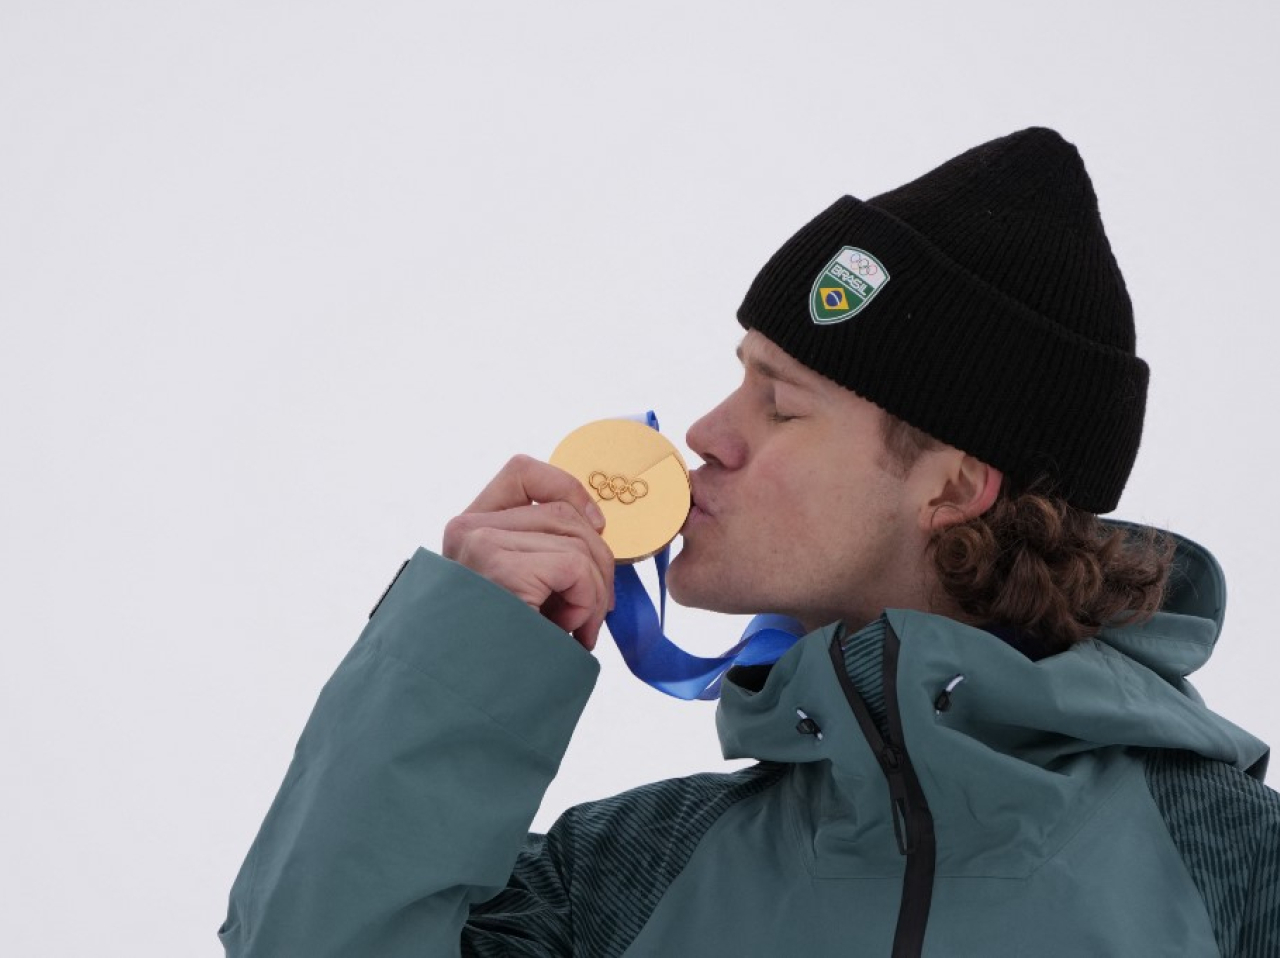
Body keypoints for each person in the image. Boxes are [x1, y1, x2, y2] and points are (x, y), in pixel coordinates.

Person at [219, 128, 1280, 957]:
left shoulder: (1243, 874)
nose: (703, 435)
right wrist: (460, 659)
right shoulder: (626, 878)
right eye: (737, 378)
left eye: (778, 404)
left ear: (952, 485)